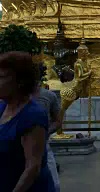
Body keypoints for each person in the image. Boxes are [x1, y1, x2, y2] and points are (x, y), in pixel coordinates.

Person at [0, 52, 56, 192]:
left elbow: (32, 168)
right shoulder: (2, 108)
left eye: (1, 77)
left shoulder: (32, 115)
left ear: (20, 81)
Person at [34, 80, 62, 192]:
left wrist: (45, 132)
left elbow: (58, 121)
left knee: (54, 185)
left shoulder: (48, 95)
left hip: (43, 146)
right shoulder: (11, 98)